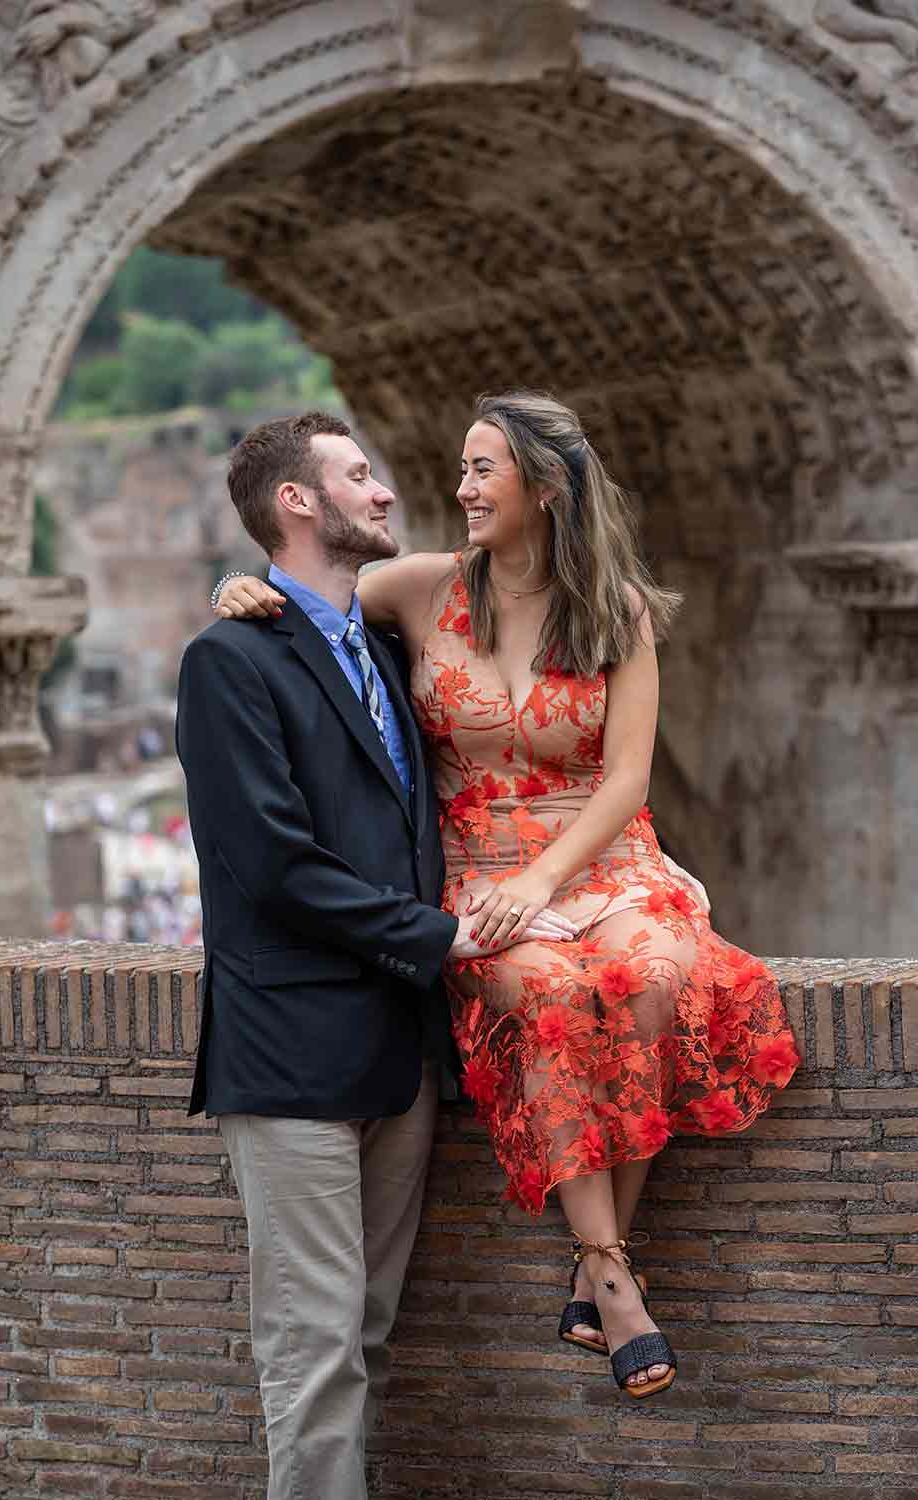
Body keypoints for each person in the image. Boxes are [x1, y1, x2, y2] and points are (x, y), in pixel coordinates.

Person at [213, 391, 801, 1404]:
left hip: (599, 857)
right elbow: (310, 598)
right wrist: (238, 590)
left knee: (656, 979)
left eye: (483, 469)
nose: (460, 489)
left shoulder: (617, 613)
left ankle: (598, 1268)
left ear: (546, 484)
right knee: (556, 998)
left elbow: (625, 780)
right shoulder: (420, 586)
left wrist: (547, 876)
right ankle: (612, 1275)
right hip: (477, 872)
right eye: (462, 468)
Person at [175, 411, 576, 1500]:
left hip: (399, 1057)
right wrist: (446, 938)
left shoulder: (391, 648)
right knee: (310, 1363)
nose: (388, 491)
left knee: (369, 1341)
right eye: (359, 475)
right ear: (297, 503)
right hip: (294, 1054)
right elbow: (273, 866)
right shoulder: (226, 660)